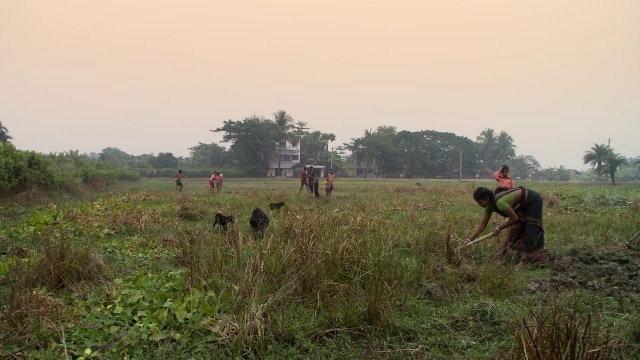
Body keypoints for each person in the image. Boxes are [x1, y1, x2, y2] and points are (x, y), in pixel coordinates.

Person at [463, 186, 547, 267]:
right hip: (524, 205)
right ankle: (503, 252)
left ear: (487, 198)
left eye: (480, 202)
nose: (480, 205)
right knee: (516, 228)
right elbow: (482, 225)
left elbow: (514, 218)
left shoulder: (500, 203)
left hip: (533, 200)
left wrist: (499, 228)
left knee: (531, 229)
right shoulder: (489, 207)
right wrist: (469, 240)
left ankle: (526, 259)